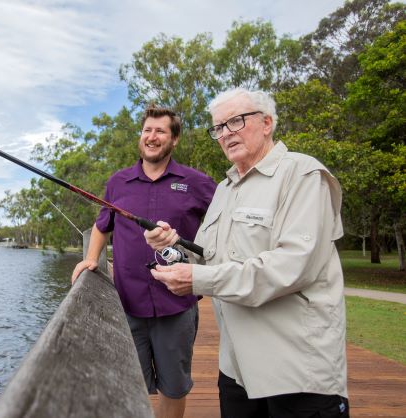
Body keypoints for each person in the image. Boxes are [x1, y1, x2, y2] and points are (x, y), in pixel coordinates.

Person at [144, 88, 349, 417]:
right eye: (218, 128)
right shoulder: (225, 189)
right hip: (236, 369)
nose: (225, 134)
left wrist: (200, 279)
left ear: (266, 123)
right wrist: (172, 249)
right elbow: (210, 256)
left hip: (297, 369)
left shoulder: (304, 175)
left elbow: (290, 267)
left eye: (235, 121)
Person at [71, 105, 216, 418]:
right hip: (128, 306)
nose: (152, 137)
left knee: (174, 387)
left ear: (174, 139)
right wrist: (90, 260)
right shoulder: (118, 182)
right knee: (129, 385)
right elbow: (101, 225)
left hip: (177, 305)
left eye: (160, 131)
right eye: (148, 130)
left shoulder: (197, 182)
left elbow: (224, 220)